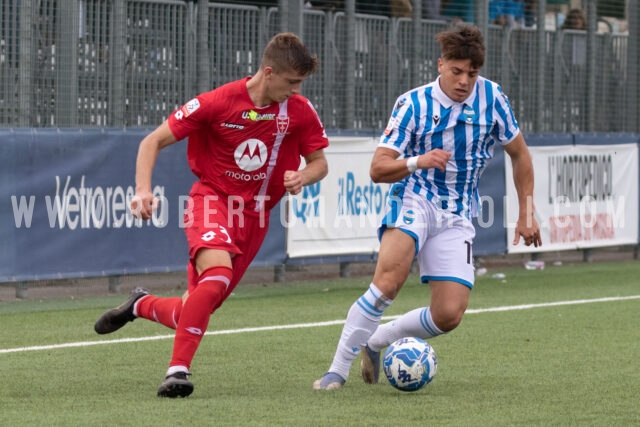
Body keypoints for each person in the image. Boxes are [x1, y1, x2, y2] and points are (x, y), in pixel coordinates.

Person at [94, 32, 329, 398]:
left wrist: (303, 176)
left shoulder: (299, 111)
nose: (296, 91)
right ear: (269, 72)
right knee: (217, 275)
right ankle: (177, 372)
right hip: (212, 201)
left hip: (254, 219)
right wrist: (142, 189)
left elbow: (320, 164)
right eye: (292, 82)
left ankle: (140, 304)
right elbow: (151, 141)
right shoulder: (218, 102)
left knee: (196, 308)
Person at [313, 23, 541, 390]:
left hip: (458, 212)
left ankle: (376, 340)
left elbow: (520, 154)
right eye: (457, 71)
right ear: (440, 64)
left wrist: (526, 211)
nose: (464, 81)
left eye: (472, 73)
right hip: (415, 198)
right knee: (387, 284)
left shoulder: (493, 98)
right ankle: (336, 371)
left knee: (449, 314)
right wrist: (419, 161)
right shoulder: (413, 103)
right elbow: (378, 168)